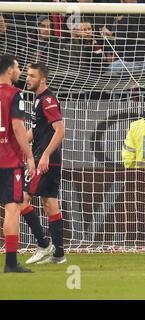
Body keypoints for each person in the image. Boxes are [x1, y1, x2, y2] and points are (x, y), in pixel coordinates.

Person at [21, 62, 66, 265]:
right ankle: (58, 255)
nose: (27, 79)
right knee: (49, 203)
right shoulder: (38, 99)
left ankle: (43, 245)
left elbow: (60, 130)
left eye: (31, 76)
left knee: (20, 199)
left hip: (44, 159)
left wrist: (46, 155)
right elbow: (35, 131)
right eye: (27, 75)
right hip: (45, 158)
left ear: (42, 79)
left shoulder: (47, 100)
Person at [0, 54, 36, 272]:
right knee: (12, 209)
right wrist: (29, 156)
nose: (20, 71)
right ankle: (11, 263)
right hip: (9, 160)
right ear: (9, 70)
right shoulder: (15, 94)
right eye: (18, 67)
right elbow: (17, 127)